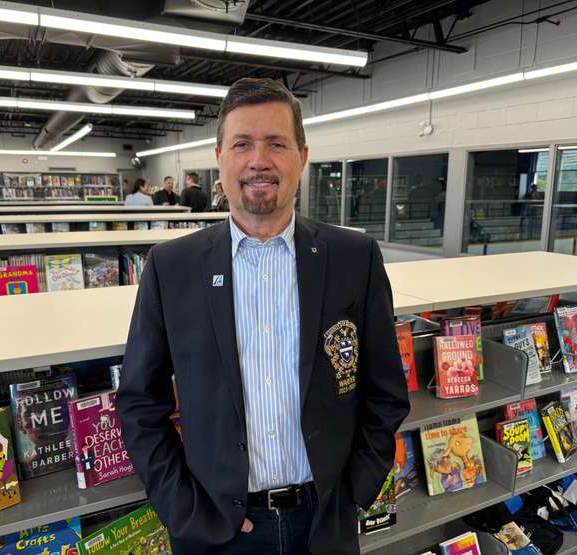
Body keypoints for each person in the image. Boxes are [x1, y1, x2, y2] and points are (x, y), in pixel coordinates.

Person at [117, 78, 409, 554]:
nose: (259, 160)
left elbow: (386, 390)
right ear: (219, 159)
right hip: (217, 529)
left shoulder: (354, 258)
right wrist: (181, 508)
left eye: (277, 143)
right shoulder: (172, 268)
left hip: (325, 522)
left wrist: (357, 489)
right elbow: (138, 401)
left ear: (302, 156)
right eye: (242, 144)